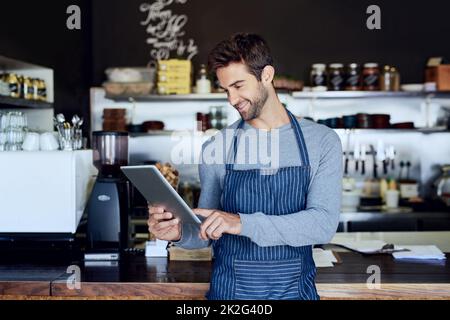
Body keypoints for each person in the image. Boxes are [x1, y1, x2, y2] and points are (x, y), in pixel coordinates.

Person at [148, 33, 342, 300]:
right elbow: (207, 231)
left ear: (266, 75)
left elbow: (322, 224)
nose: (232, 99)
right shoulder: (218, 147)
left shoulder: (321, 141)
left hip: (295, 294)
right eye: (226, 90)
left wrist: (242, 223)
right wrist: (180, 232)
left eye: (239, 85)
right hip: (230, 296)